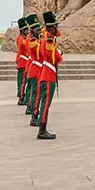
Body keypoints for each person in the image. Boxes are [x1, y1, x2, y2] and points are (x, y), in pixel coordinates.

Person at [34, 11, 63, 140]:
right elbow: (57, 58)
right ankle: (42, 129)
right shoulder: (49, 42)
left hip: (45, 73)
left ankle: (42, 126)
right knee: (46, 104)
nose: (57, 28)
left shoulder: (46, 39)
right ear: (51, 27)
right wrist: (60, 52)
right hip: (48, 75)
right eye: (55, 26)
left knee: (44, 102)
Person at [24, 14, 42, 118]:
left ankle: (31, 108)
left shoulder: (35, 40)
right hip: (34, 68)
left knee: (34, 91)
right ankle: (32, 112)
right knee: (34, 92)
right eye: (37, 30)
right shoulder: (32, 42)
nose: (39, 31)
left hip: (36, 68)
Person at [14, 17, 31, 105]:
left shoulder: (22, 38)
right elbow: (25, 45)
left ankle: (21, 94)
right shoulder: (21, 39)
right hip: (23, 62)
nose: (28, 31)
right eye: (26, 30)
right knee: (23, 81)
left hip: (24, 61)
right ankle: (21, 97)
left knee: (22, 80)